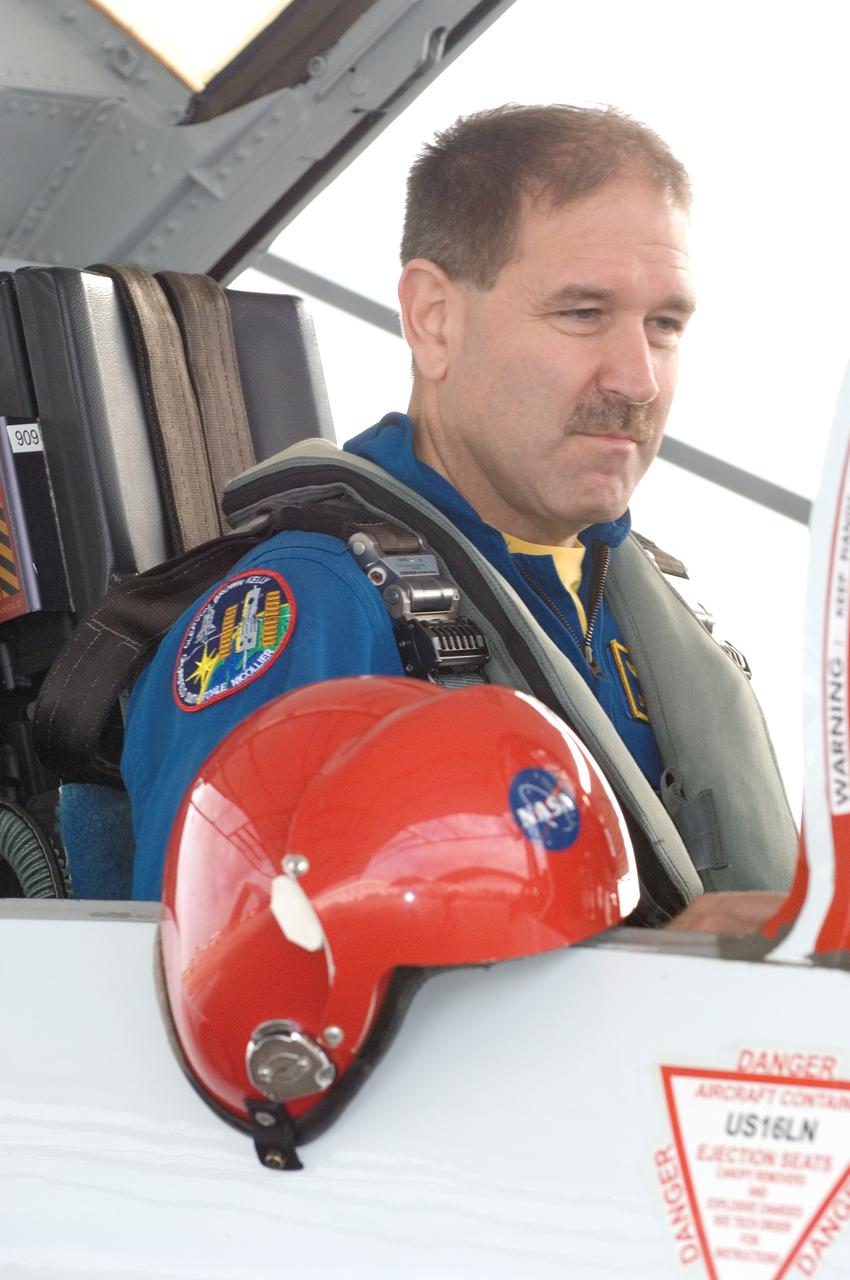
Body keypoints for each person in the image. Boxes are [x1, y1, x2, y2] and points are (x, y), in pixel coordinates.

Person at [121, 104, 797, 926]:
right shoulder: (318, 609)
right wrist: (641, 979)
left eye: (664, 325)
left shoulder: (637, 598)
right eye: (582, 314)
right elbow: (224, 989)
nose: (637, 380)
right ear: (433, 319)